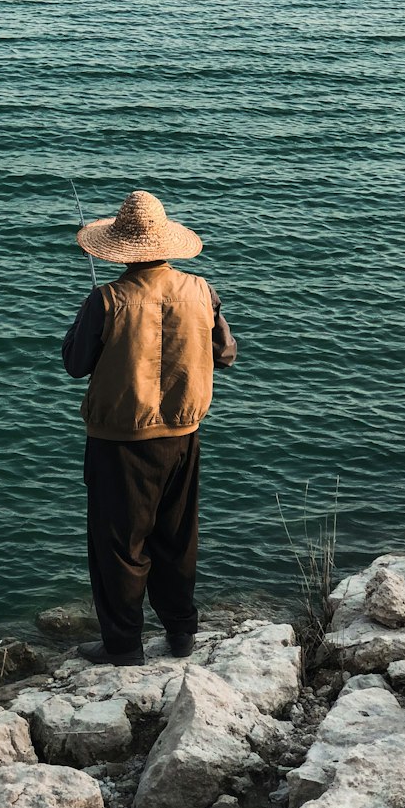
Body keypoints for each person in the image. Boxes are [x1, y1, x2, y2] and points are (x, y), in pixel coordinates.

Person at [61, 189, 237, 666]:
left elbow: (75, 364)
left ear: (119, 248)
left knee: (120, 546)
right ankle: (181, 633)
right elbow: (225, 355)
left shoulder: (106, 299)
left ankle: (123, 646)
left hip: (119, 442)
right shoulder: (202, 291)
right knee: (177, 538)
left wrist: (88, 322)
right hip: (182, 437)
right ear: (166, 244)